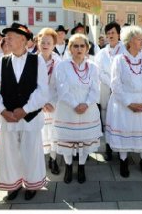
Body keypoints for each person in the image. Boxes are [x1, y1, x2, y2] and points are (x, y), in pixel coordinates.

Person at [0, 22, 49, 201]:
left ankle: (32, 184)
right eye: (5, 37)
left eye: (10, 37)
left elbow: (43, 90)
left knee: (31, 150)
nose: (6, 40)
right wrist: (2, 111)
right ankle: (13, 184)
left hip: (29, 116)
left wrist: (25, 109)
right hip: (7, 117)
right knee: (8, 152)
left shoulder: (37, 60)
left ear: (23, 40)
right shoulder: (1, 61)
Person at [105, 25, 142, 178]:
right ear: (129, 42)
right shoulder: (119, 60)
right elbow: (115, 84)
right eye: (139, 40)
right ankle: (123, 160)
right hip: (124, 103)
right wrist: (128, 103)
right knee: (125, 130)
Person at [53, 34, 101, 183]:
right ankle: (68, 166)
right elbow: (62, 89)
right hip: (68, 110)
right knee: (68, 140)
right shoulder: (62, 66)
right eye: (75, 46)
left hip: (88, 110)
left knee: (84, 140)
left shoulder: (93, 67)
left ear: (87, 48)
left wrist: (86, 104)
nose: (79, 49)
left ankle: (81, 166)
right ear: (70, 48)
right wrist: (75, 104)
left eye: (82, 46)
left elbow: (95, 89)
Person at [94, 21, 124, 160]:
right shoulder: (101, 53)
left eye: (113, 33)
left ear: (119, 34)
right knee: (106, 119)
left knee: (121, 118)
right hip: (106, 90)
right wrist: (112, 84)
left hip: (122, 90)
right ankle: (108, 147)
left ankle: (121, 148)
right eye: (108, 33)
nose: (110, 35)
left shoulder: (126, 50)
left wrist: (117, 85)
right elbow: (98, 72)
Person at [36, 28, 63, 175]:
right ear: (37, 42)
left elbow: (62, 85)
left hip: (54, 104)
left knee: (53, 132)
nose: (45, 44)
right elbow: (29, 86)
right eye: (42, 41)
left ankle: (53, 159)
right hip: (36, 105)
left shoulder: (59, 62)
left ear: (54, 45)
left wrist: (52, 102)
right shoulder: (32, 60)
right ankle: (39, 160)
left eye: (49, 42)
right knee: (38, 133)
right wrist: (39, 103)